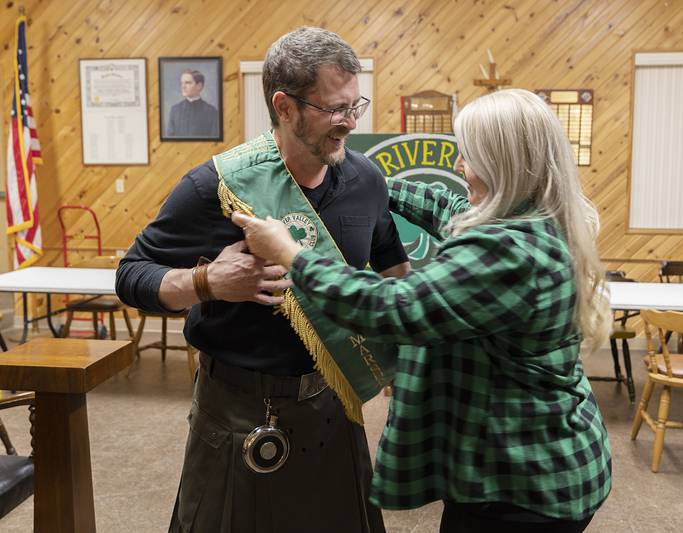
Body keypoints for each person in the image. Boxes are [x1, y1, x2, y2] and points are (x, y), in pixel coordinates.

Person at [232, 88, 614, 533]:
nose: (458, 166)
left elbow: (392, 306)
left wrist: (290, 254)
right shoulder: (532, 217)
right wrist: (369, 180)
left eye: (469, 156)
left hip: (523, 484)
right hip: (537, 463)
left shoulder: (510, 249)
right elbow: (447, 206)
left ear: (504, 165)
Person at [117, 27, 409, 533]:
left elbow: (391, 265)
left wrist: (400, 354)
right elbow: (131, 275)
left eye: (354, 105)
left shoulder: (367, 180)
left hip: (333, 403)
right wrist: (206, 282)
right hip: (235, 407)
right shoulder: (215, 186)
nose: (349, 123)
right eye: (333, 109)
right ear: (285, 106)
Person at [166, 69, 219, 138]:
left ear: (199, 86)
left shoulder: (211, 111)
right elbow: (170, 140)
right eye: (182, 83)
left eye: (187, 83)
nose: (183, 86)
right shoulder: (175, 110)